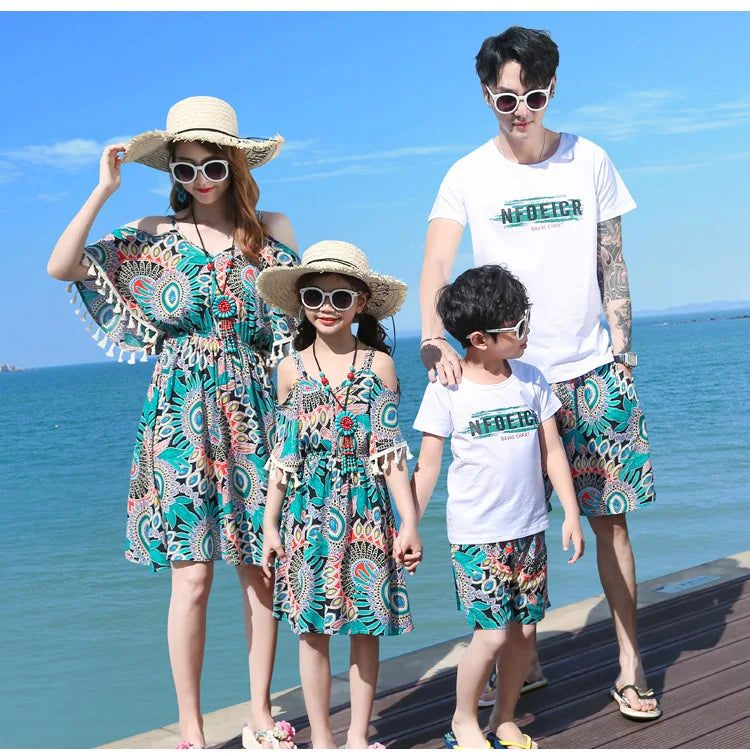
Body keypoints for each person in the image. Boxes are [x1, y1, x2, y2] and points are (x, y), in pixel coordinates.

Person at [419, 26, 661, 722]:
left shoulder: (590, 160)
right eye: (505, 98)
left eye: (532, 96)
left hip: (591, 372)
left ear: (552, 90)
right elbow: (437, 262)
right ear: (485, 95)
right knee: (511, 533)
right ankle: (521, 663)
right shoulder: (467, 173)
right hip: (509, 378)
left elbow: (612, 260)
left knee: (611, 523)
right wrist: (436, 339)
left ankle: (630, 662)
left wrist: (622, 344)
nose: (520, 110)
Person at [47, 96, 300, 749]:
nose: (199, 181)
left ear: (235, 163)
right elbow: (63, 266)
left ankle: (261, 714)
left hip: (253, 416)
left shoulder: (270, 231)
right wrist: (103, 190)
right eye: (184, 170)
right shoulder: (152, 233)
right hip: (179, 418)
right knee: (191, 577)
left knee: (261, 569)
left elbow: (298, 340)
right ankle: (190, 730)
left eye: (211, 165)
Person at [257, 241, 423, 749]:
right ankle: (323, 742)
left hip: (368, 512)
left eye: (339, 297)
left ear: (361, 302)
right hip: (306, 514)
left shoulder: (379, 366)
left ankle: (356, 739)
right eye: (313, 296)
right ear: (300, 303)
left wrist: (409, 521)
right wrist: (268, 524)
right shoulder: (288, 369)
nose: (325, 307)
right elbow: (283, 458)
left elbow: (390, 454)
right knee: (311, 631)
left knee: (365, 628)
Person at [411, 265, 584, 750]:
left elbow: (552, 451)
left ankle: (504, 719)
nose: (528, 333)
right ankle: (463, 719)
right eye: (519, 327)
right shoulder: (447, 389)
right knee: (489, 636)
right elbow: (427, 468)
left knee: (523, 634)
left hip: (529, 530)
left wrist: (569, 513)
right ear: (481, 339)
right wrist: (408, 526)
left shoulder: (530, 379)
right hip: (476, 535)